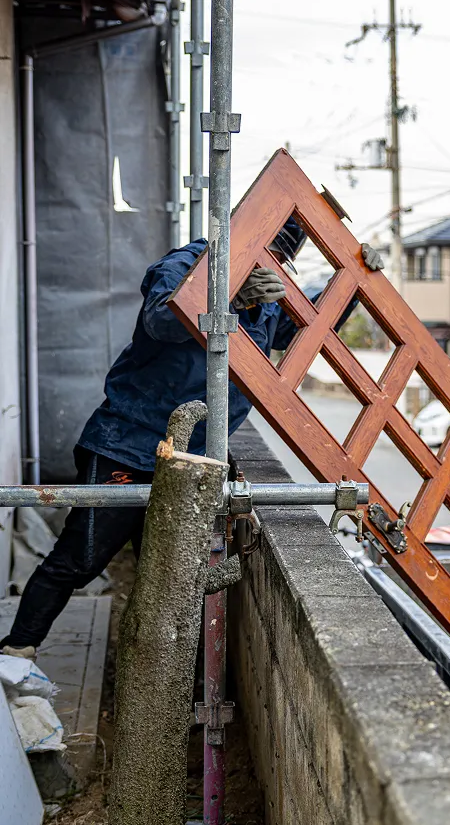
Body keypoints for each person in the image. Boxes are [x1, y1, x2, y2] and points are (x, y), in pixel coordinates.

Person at [1, 219, 384, 659]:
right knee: (80, 556)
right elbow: (161, 320)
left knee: (167, 579)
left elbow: (301, 335)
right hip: (126, 442)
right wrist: (230, 295)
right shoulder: (188, 263)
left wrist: (353, 286)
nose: (275, 261)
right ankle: (18, 650)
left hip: (192, 459)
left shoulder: (271, 291)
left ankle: (151, 678)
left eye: (283, 253)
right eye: (269, 247)